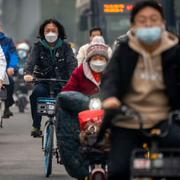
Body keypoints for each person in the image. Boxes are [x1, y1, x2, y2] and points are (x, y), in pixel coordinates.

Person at [100, 1, 180, 179]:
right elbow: (110, 78)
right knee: (118, 171)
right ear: (133, 25)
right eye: (142, 20)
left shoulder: (174, 50)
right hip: (128, 120)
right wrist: (110, 98)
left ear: (163, 23)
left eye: (154, 19)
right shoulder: (124, 50)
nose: (149, 24)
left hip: (166, 120)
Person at [56, 42, 109, 179]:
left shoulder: (113, 72)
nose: (98, 61)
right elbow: (67, 91)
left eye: (101, 58)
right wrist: (83, 102)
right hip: (83, 114)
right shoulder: (80, 72)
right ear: (89, 59)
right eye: (95, 58)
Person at [24, 18, 77, 137]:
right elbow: (30, 62)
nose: (51, 33)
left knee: (68, 99)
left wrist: (73, 78)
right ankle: (36, 126)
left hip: (62, 81)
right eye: (47, 30)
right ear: (43, 32)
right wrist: (28, 73)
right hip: (43, 81)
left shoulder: (65, 46)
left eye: (54, 30)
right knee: (37, 93)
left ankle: (67, 128)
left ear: (59, 33)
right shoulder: (38, 46)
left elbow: (72, 64)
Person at [0, 24, 19, 118]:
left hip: (4, 68)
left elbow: (13, 55)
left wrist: (11, 66)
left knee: (10, 83)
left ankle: (7, 106)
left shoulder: (7, 41)